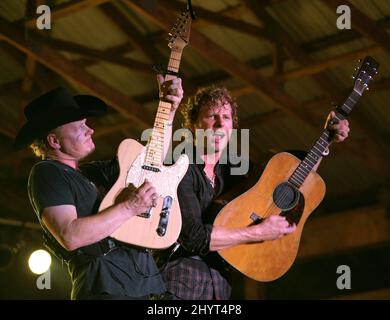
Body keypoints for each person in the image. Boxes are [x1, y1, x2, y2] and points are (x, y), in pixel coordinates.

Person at [160, 86, 350, 300]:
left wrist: (326, 141)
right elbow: (193, 237)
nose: (221, 124)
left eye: (226, 117)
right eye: (212, 116)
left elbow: (294, 177)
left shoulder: (236, 170)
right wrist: (258, 232)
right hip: (180, 281)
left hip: (220, 286)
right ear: (194, 124)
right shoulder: (179, 168)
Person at [14, 75, 183, 300]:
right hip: (105, 287)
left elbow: (151, 164)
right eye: (80, 126)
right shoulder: (46, 173)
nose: (90, 130)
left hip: (149, 284)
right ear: (54, 141)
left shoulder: (93, 172)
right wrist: (130, 207)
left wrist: (168, 112)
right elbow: (70, 235)